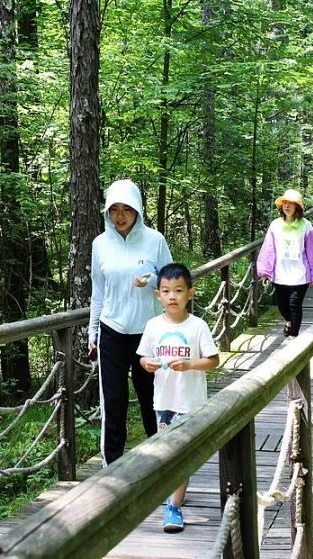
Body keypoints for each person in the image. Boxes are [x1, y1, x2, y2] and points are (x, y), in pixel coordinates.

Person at [89, 178, 173, 466]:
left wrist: (153, 282)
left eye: (127, 209)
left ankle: (161, 463)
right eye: (115, 210)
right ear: (107, 212)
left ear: (138, 210)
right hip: (111, 331)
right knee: (113, 402)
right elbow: (97, 292)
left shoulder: (155, 240)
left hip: (149, 333)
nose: (121, 216)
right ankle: (111, 467)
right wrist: (93, 331)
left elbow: (173, 285)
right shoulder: (100, 244)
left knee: (154, 400)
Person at [137, 263, 220, 533]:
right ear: (158, 295)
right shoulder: (152, 326)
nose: (172, 296)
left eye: (178, 290)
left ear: (190, 294)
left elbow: (213, 360)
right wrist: (147, 363)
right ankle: (178, 491)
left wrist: (189, 365)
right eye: (166, 291)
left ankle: (173, 508)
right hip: (163, 400)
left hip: (190, 401)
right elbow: (143, 357)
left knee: (182, 453)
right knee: (167, 451)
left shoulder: (198, 326)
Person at [257, 189, 313, 337]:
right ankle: (289, 322)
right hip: (280, 273)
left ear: (297, 207)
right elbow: (269, 249)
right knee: (282, 305)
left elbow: (312, 251)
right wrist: (265, 271)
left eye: (290, 203)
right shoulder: (275, 225)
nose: (286, 206)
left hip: (300, 274)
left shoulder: (306, 226)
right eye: (284, 203)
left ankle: (293, 337)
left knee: (294, 305)